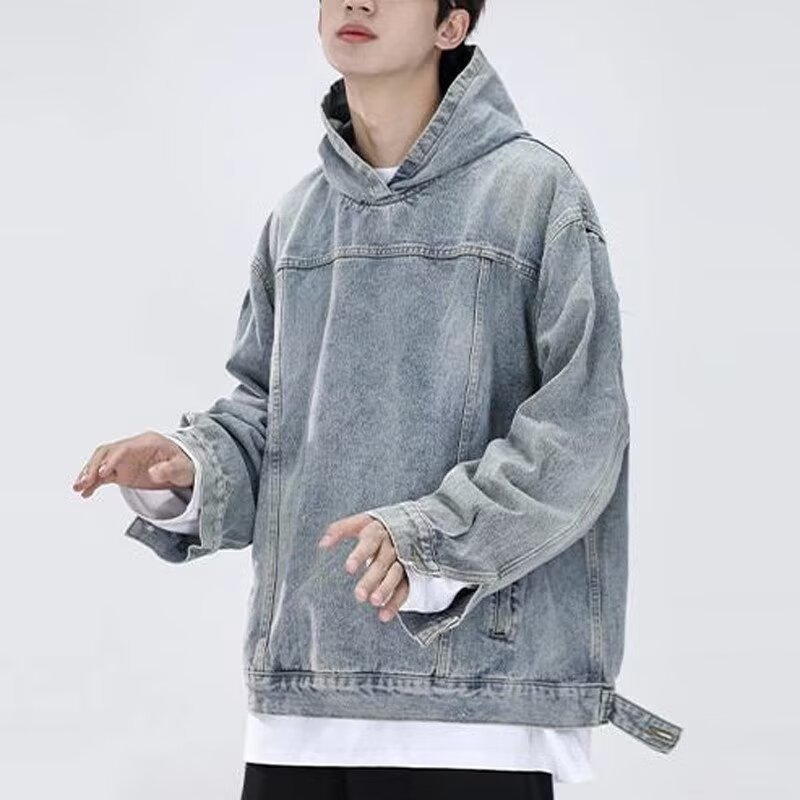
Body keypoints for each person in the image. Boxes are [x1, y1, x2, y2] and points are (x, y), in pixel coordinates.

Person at [73, 1, 683, 797]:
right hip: (301, 709)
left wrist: (431, 539)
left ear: (450, 26)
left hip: (476, 716)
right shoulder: (298, 221)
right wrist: (191, 465)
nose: (356, 2)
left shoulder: (535, 195)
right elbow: (268, 418)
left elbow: (581, 430)